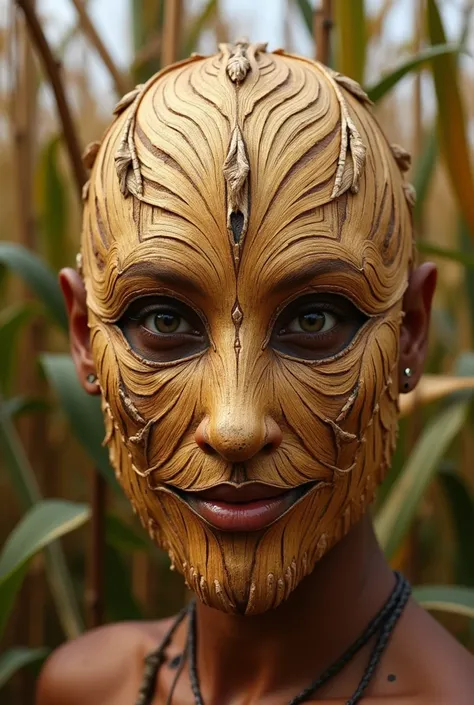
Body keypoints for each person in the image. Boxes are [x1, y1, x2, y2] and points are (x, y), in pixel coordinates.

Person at [36, 40, 474, 704]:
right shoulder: (84, 687)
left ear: (410, 328)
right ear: (85, 340)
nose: (235, 425)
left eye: (314, 320)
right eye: (162, 321)